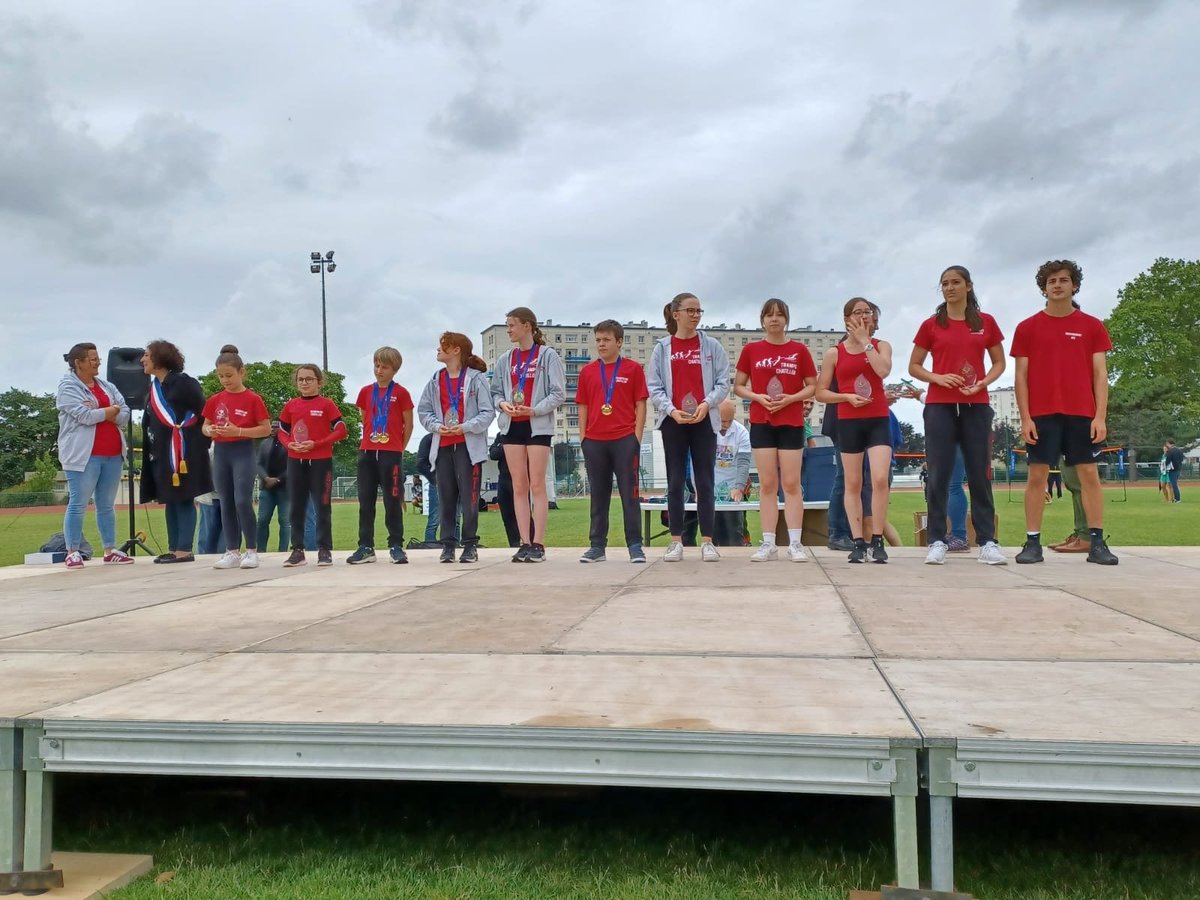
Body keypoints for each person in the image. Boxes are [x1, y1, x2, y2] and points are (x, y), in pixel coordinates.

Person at [1011, 260, 1118, 565]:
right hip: (1042, 415)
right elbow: (1021, 377)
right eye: (1051, 281)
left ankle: (1096, 542)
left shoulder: (1092, 326)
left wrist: (1100, 416)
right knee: (1036, 477)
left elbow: (1100, 375)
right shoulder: (1027, 328)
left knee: (1088, 477)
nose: (1057, 285)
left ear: (1074, 285)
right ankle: (1032, 542)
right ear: (1044, 288)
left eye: (1063, 280)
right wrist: (1026, 417)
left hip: (1081, 414)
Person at [908, 265, 1007, 566]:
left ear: (968, 285)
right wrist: (937, 378)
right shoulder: (931, 324)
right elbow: (915, 366)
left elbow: (999, 363)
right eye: (945, 284)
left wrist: (983, 382)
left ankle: (987, 542)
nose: (950, 288)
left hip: (976, 404)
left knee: (979, 474)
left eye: (955, 283)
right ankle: (937, 539)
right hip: (939, 405)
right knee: (939, 474)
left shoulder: (985, 322)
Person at [647, 292, 731, 562]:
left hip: (704, 420)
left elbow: (722, 383)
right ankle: (676, 541)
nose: (695, 315)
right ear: (676, 314)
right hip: (674, 421)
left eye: (699, 311)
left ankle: (708, 541)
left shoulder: (711, 346)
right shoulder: (662, 348)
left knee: (704, 481)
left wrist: (707, 404)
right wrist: (672, 410)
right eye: (690, 310)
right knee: (674, 482)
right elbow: (655, 387)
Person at [734, 297, 818, 562]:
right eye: (769, 315)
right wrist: (757, 397)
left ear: (786, 320)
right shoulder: (751, 350)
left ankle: (795, 543)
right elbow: (738, 386)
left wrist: (791, 398)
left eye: (779, 315)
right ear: (762, 320)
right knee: (768, 484)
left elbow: (812, 385)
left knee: (791, 483)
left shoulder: (799, 350)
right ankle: (768, 542)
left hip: (792, 422)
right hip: (762, 421)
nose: (774, 319)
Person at [816, 298, 893, 563]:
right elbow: (821, 392)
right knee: (852, 482)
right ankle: (858, 540)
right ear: (846, 319)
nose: (863, 316)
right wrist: (846, 397)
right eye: (857, 312)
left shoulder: (881, 346)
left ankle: (878, 539)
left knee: (880, 479)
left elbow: (882, 371)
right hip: (848, 420)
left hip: (878, 418)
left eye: (867, 312)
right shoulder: (834, 353)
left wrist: (866, 342)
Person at [492, 307, 566, 562]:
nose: (508, 330)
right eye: (507, 325)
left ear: (527, 326)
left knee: (537, 484)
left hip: (537, 426)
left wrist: (534, 410)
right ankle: (524, 542)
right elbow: (495, 393)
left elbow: (558, 393)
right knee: (518, 485)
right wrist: (503, 405)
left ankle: (539, 543)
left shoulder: (547, 356)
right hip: (512, 426)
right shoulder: (505, 360)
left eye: (512, 325)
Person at [417, 332, 495, 563]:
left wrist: (465, 427)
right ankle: (448, 545)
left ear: (456, 350)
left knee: (470, 499)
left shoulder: (476, 378)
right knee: (446, 498)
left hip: (467, 447)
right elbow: (424, 411)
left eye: (443, 346)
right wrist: (437, 426)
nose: (438, 350)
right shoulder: (435, 379)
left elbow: (487, 412)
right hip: (442, 446)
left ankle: (470, 545)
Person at [576, 319, 649, 563]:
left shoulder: (632, 369)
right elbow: (583, 405)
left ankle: (635, 545)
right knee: (598, 495)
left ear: (619, 342)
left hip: (624, 440)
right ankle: (597, 547)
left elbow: (640, 404)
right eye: (598, 340)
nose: (601, 344)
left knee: (630, 495)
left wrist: (636, 437)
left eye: (606, 340)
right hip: (595, 441)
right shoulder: (587, 371)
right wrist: (583, 437)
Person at [56, 342, 133, 568]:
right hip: (83, 456)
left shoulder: (106, 386)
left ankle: (110, 549)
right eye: (92, 359)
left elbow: (125, 412)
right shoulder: (67, 386)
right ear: (78, 363)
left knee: (106, 505)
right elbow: (84, 416)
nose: (97, 362)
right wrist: (110, 412)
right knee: (78, 503)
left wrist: (106, 413)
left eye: (97, 358)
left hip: (112, 453)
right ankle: (72, 550)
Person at [141, 340, 212, 563]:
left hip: (184, 455)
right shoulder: (154, 387)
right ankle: (173, 547)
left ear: (159, 359)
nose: (142, 360)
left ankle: (184, 549)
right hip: (161, 454)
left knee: (183, 499)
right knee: (170, 500)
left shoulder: (184, 383)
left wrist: (196, 442)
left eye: (146, 355)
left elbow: (203, 413)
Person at [202, 345, 271, 570]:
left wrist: (239, 431)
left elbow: (265, 429)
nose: (225, 380)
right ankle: (232, 551)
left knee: (242, 500)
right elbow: (205, 425)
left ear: (242, 372)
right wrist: (209, 431)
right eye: (221, 376)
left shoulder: (253, 399)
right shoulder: (214, 400)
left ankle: (252, 551)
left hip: (243, 452)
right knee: (226, 502)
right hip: (221, 453)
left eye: (229, 375)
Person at [348, 347, 415, 565]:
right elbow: (365, 418)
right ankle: (365, 546)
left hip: (391, 453)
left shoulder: (401, 393)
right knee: (365, 502)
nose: (379, 370)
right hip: (367, 452)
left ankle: (396, 545)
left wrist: (399, 449)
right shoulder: (366, 392)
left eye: (384, 367)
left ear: (394, 369)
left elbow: (409, 424)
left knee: (392, 501)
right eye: (376, 365)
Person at [280, 364, 348, 567]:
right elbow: (282, 431)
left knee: (323, 505)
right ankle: (297, 550)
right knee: (296, 507)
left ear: (319, 382)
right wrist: (289, 444)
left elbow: (341, 429)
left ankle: (324, 549)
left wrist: (317, 443)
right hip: (295, 460)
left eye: (309, 379)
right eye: (300, 379)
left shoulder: (327, 404)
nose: (304, 383)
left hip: (321, 461)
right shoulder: (290, 405)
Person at [712, 398, 752, 547]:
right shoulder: (708, 430)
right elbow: (700, 462)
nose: (727, 425)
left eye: (730, 421)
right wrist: (700, 489)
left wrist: (739, 487)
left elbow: (743, 463)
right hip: (712, 490)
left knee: (734, 532)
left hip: (733, 489)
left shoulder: (741, 432)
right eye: (723, 421)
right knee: (715, 532)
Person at [256, 421, 291, 552]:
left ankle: (283, 551)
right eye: (272, 426)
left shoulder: (289, 443)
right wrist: (266, 478)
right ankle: (260, 551)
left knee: (285, 522)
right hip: (267, 489)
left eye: (276, 427)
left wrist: (278, 480)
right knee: (262, 521)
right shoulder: (265, 444)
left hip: (285, 489)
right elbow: (258, 463)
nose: (272, 429)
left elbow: (292, 465)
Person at [490, 434, 521, 548]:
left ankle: (529, 541)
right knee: (507, 514)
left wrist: (502, 447)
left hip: (518, 477)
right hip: (503, 477)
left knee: (522, 511)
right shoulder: (500, 435)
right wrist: (504, 446)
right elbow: (493, 454)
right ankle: (514, 543)